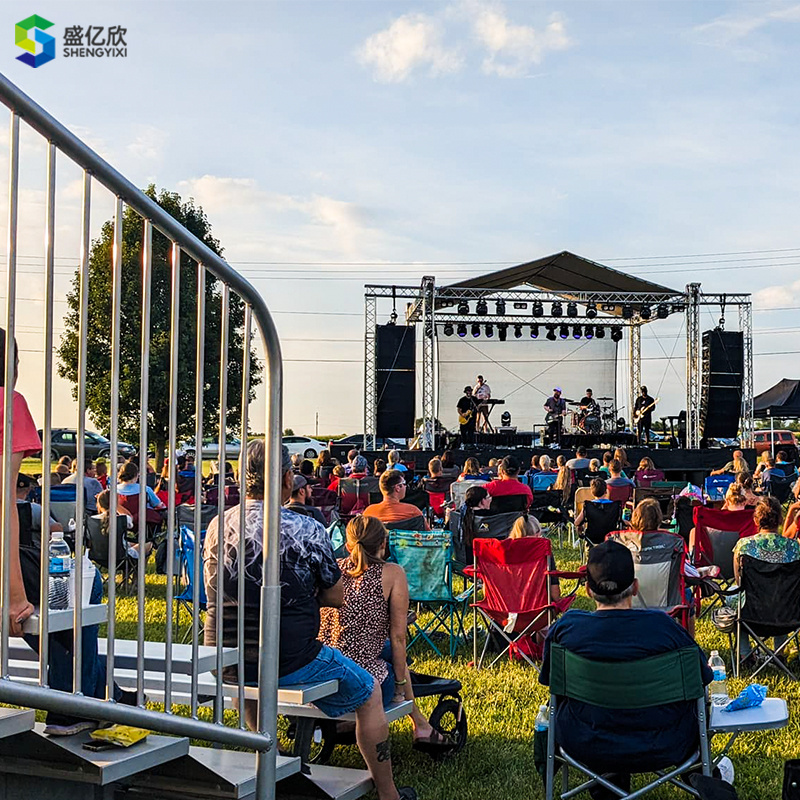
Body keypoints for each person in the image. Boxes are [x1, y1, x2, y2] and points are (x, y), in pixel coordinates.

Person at [203, 443, 417, 800]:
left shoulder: (216, 525)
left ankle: (274, 762)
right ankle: (389, 794)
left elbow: (212, 587)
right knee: (368, 691)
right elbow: (336, 595)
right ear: (288, 478)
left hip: (226, 658)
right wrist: (300, 592)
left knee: (252, 683)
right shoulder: (304, 527)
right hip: (290, 657)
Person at [0, 328, 134, 736]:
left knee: (62, 599)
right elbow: (4, 503)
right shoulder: (10, 402)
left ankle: (96, 695)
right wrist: (15, 596)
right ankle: (78, 702)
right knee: (80, 587)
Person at [539, 540, 713, 797]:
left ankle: (606, 786)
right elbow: (702, 682)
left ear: (588, 589)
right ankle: (703, 775)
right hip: (664, 742)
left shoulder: (566, 630)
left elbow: (553, 689)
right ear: (635, 586)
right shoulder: (665, 628)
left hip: (586, 740)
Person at [317, 516, 446, 750]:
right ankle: (420, 725)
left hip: (325, 669)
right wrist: (399, 685)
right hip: (362, 678)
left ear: (347, 545)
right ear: (383, 544)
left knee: (384, 648)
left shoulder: (334, 568)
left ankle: (420, 724)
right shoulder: (391, 573)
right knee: (393, 652)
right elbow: (398, 638)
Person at [733, 497, 800, 670]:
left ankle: (746, 654)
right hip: (787, 615)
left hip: (751, 615)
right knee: (784, 594)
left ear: (755, 520)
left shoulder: (743, 546)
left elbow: (738, 581)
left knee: (735, 600)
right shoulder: (795, 548)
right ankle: (779, 653)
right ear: (779, 519)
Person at [509, 515, 560, 601]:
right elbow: (554, 593)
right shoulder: (544, 552)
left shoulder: (504, 552)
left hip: (506, 609)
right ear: (537, 534)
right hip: (539, 609)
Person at [92, 489, 152, 561]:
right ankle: (137, 571)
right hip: (121, 556)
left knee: (131, 543)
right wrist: (116, 505)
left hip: (99, 556)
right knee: (148, 544)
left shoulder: (92, 520)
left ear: (99, 504)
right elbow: (130, 517)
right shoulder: (123, 519)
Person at [363, 470, 429, 530]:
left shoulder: (368, 513)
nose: (405, 486)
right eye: (404, 484)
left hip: (377, 543)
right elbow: (428, 537)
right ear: (397, 488)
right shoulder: (413, 512)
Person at [16, 472, 62, 546]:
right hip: (30, 553)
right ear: (28, 490)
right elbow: (56, 529)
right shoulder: (35, 509)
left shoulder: (4, 508)